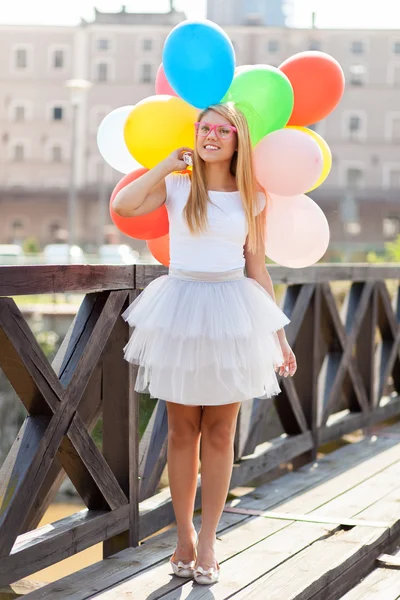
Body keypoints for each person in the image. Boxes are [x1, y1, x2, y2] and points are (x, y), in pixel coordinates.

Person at [112, 102, 297, 585]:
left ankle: (210, 540)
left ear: (238, 141)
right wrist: (164, 166)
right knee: (180, 431)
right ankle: (184, 537)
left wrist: (278, 336)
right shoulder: (177, 185)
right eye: (205, 127)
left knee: (219, 433)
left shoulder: (251, 198)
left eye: (222, 129)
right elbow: (124, 207)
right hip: (180, 310)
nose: (211, 135)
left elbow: (258, 270)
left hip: (232, 312)